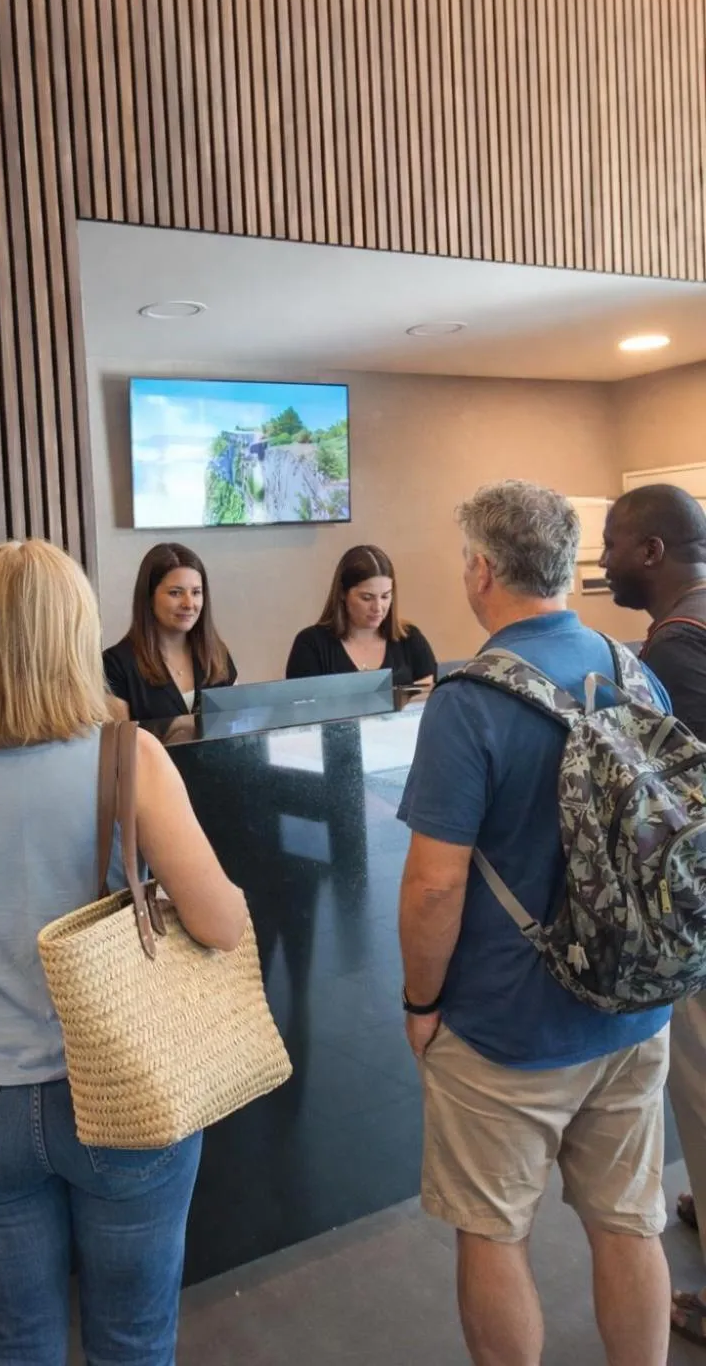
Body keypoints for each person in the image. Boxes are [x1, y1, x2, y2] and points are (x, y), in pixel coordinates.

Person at [0, 539, 247, 1366]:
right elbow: (220, 924)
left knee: (13, 1344)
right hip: (119, 1081)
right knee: (131, 1339)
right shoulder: (128, 755)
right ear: (76, 632)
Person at [398, 480, 672, 1366]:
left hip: (508, 1026)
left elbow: (436, 888)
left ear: (481, 569)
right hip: (636, 1006)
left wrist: (420, 1003)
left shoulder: (470, 700)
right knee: (629, 1222)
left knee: (493, 1234)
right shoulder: (636, 669)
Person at [601, 483, 706, 1347]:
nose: (603, 562)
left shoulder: (672, 659)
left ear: (652, 553)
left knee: (702, 1094)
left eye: (612, 544)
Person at [103, 542, 237, 720]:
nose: (189, 604)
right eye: (175, 593)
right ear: (149, 597)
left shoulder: (217, 653)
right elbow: (121, 744)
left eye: (196, 592)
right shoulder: (115, 665)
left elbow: (237, 727)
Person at [285, 544, 436, 686]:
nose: (378, 608)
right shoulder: (311, 644)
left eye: (385, 597)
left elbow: (431, 699)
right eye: (367, 598)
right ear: (343, 594)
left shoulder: (410, 639)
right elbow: (301, 708)